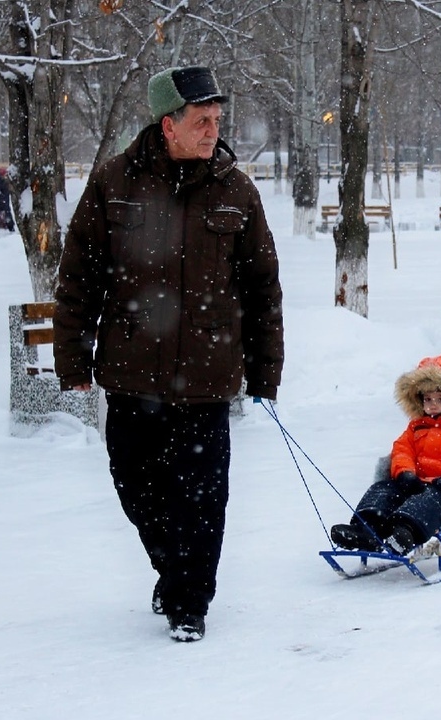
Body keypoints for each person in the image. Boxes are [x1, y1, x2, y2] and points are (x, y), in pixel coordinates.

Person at [53, 66, 284, 643]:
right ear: (168, 125)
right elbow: (79, 276)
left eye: (217, 121)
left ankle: (189, 600)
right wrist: (73, 360)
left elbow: (262, 287)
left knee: (202, 499)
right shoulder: (113, 182)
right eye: (201, 121)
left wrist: (265, 370)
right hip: (132, 375)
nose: (213, 131)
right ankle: (170, 567)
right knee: (137, 486)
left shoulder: (237, 189)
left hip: (207, 378)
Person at [330, 355, 441, 556]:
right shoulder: (416, 427)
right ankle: (366, 529)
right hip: (415, 483)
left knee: (429, 502)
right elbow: (402, 450)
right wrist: (405, 473)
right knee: (383, 489)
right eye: (427, 399)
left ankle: (404, 534)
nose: (432, 404)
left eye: (440, 399)